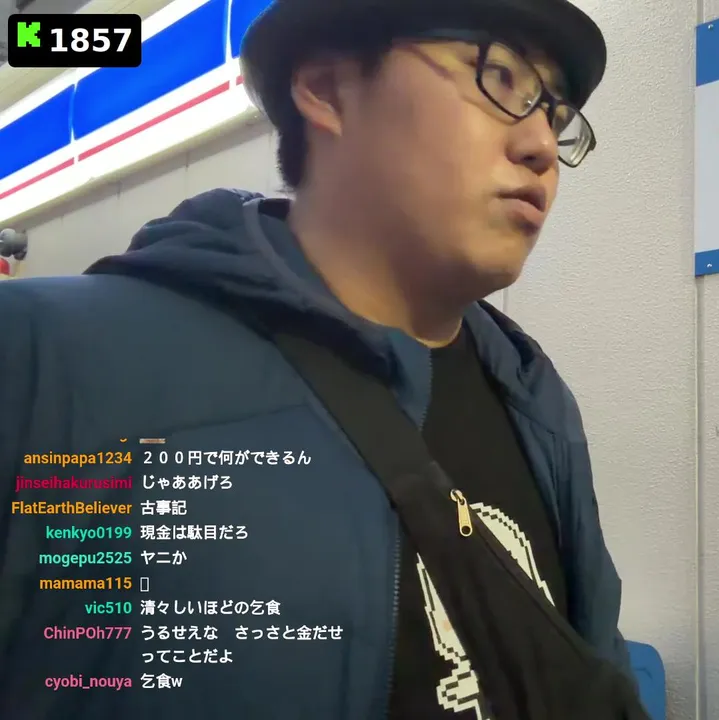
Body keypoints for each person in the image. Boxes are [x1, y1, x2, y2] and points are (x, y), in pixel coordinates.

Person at [0, 0, 643, 717]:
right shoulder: (48, 357)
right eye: (499, 78)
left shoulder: (535, 398)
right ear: (327, 89)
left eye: (555, 113)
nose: (542, 146)